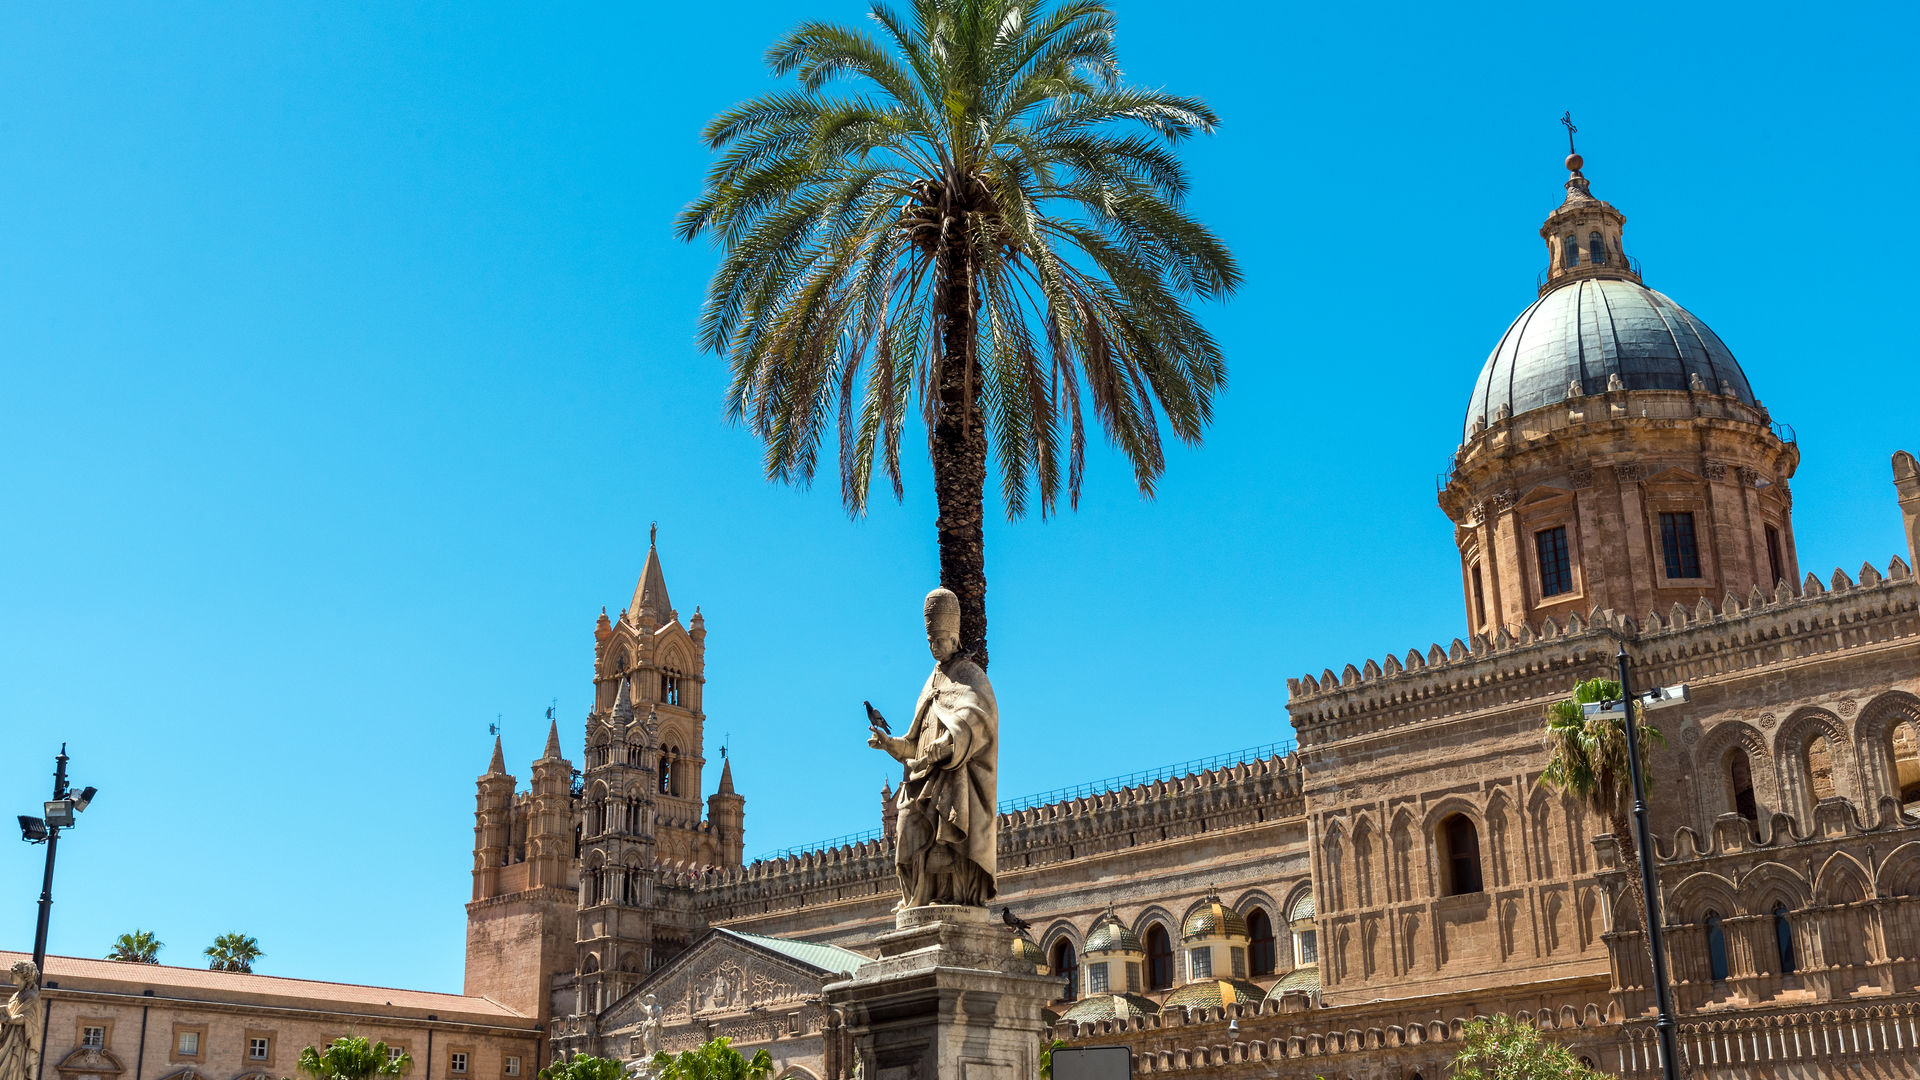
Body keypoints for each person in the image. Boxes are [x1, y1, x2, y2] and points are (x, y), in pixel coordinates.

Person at [867, 587, 998, 907]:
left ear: (953, 638)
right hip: (923, 776)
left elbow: (979, 716)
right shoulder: (931, 682)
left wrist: (949, 743)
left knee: (947, 824)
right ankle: (917, 896)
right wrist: (889, 744)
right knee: (908, 824)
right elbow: (914, 743)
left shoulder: (970, 674)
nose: (934, 647)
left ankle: (948, 895)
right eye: (930, 641)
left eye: (939, 640)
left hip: (953, 775)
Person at [0, 962, 42, 1080]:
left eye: (13, 973)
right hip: (7, 1037)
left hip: (19, 1041)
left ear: (23, 975)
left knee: (12, 1070)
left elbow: (30, 1019)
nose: (10, 976)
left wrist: (9, 1019)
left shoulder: (32, 996)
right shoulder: (15, 996)